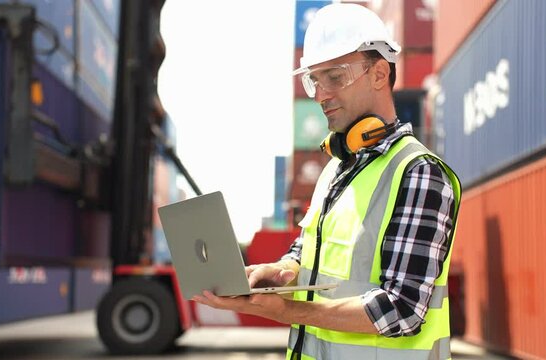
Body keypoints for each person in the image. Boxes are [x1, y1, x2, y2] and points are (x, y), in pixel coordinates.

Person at [192, 3, 461, 359]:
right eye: (314, 81)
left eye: (335, 77)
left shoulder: (419, 172)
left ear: (380, 74)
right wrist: (281, 271)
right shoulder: (336, 169)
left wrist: (283, 312)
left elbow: (403, 310)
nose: (320, 95)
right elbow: (309, 251)